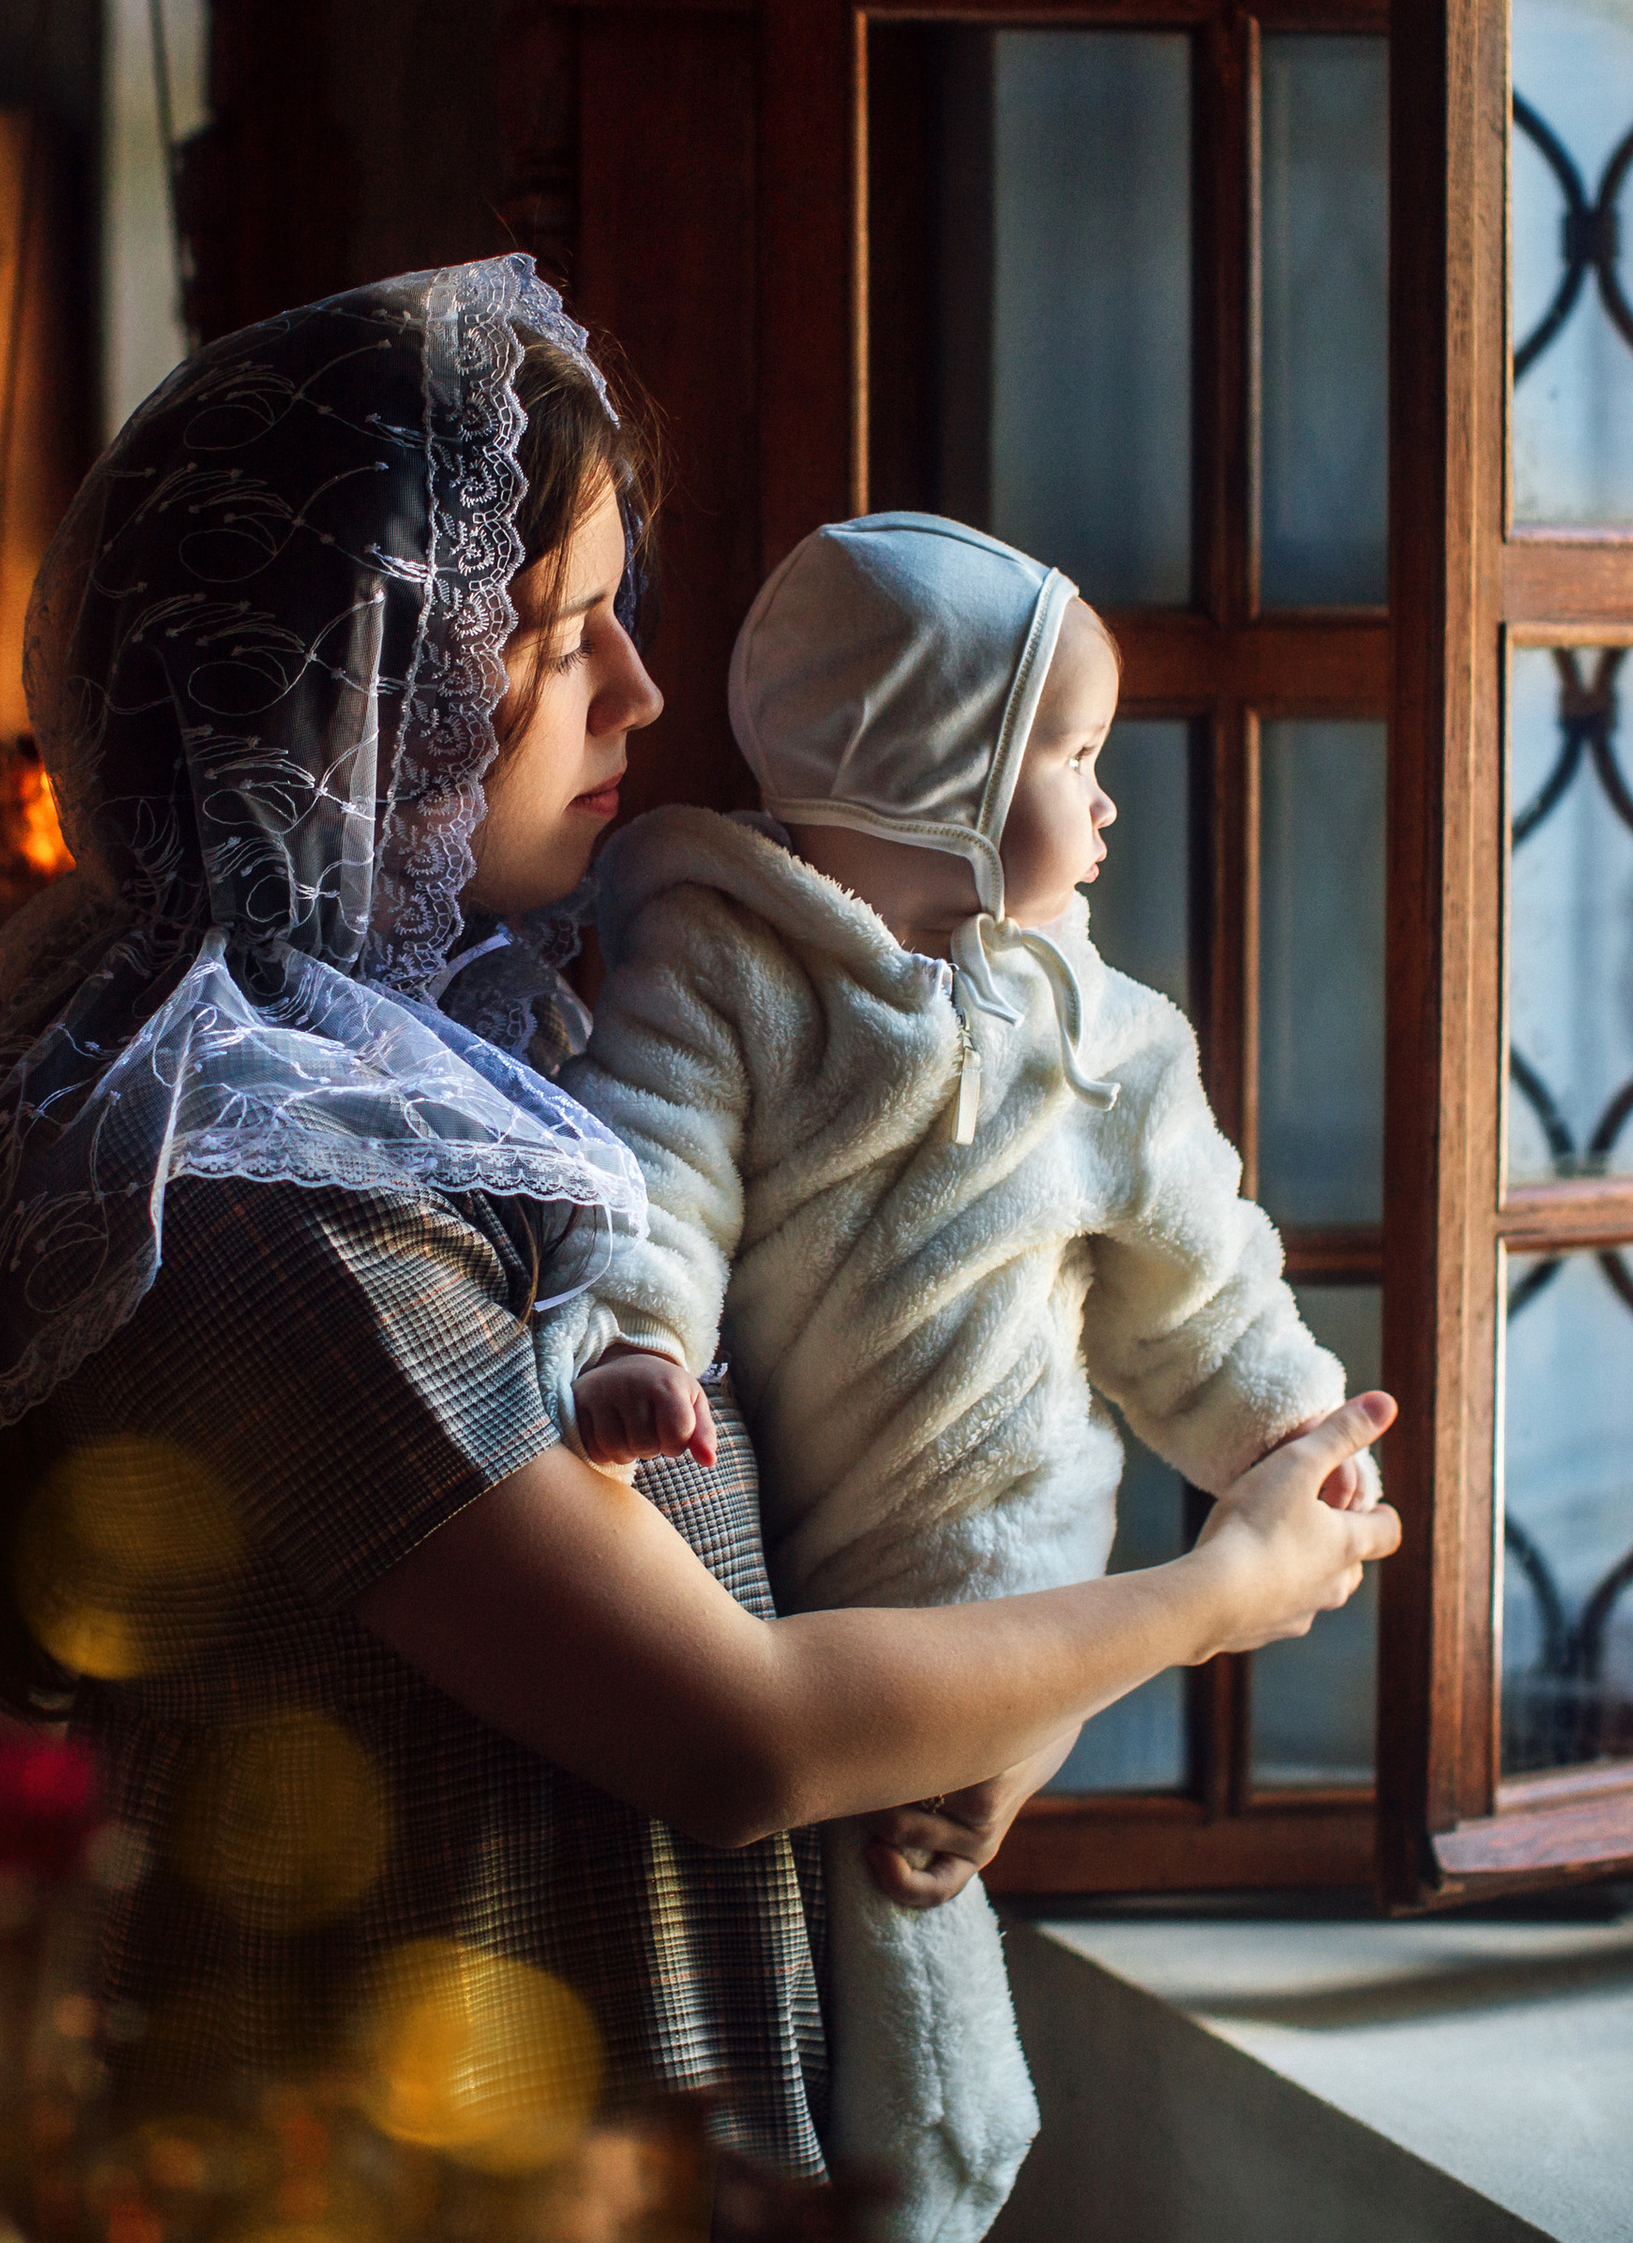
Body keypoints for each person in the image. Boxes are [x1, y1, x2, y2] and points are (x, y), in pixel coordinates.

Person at [0, 270, 1397, 2192]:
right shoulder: (269, 1205)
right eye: (568, 634)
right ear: (368, 685)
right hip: (396, 2173)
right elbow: (736, 1737)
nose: (646, 698)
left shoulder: (505, 1052)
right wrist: (1212, 1601)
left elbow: (859, 1464)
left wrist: (1013, 1705)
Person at [540, 514, 1380, 2240]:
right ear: (930, 779)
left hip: (1015, 1560)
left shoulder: (1110, 1043)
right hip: (817, 1579)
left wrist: (1287, 1432)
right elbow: (651, 1164)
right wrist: (632, 1334)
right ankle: (887, 2183)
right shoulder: (723, 969)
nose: (1109, 800)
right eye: (1072, 757)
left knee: (920, 1922)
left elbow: (1196, 1284)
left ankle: (934, 2169)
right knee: (865, 1912)